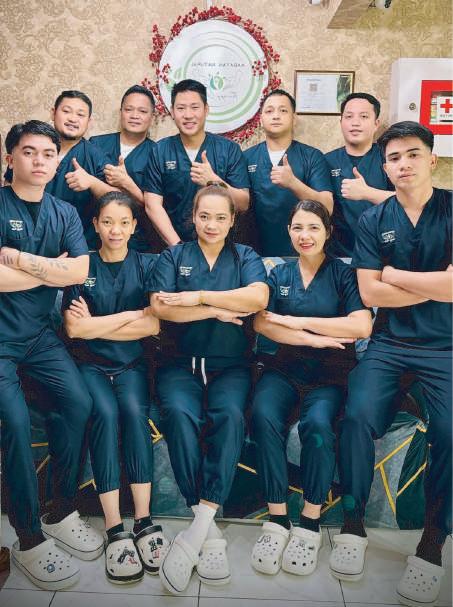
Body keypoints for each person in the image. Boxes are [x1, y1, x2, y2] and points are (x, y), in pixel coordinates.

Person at [329, 121, 452, 607]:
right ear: (385, 167)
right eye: (394, 158)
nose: (403, 164)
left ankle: (433, 540)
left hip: (444, 346)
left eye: (412, 154)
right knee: (356, 416)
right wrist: (433, 284)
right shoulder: (373, 219)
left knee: (450, 431)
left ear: (432, 160)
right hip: (389, 344)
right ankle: (353, 523)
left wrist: (395, 274)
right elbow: (369, 292)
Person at [149, 183, 268, 593]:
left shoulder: (246, 256)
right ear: (193, 218)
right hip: (178, 364)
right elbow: (161, 307)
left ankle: (197, 529)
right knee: (179, 415)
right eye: (204, 216)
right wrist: (216, 310)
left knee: (230, 416)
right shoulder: (174, 255)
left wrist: (196, 297)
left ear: (232, 220)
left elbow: (257, 298)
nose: (211, 224)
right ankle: (209, 531)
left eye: (220, 217)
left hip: (230, 366)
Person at [0, 120, 104, 590]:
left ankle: (59, 510)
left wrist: (21, 261)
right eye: (29, 152)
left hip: (40, 337)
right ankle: (28, 538)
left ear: (57, 162)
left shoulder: (64, 212)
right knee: (16, 422)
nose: (39, 160)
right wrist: (52, 270)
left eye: (48, 153)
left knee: (79, 403)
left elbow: (79, 271)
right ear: (10, 158)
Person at [250, 199, 372, 576]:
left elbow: (360, 326)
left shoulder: (344, 273)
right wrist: (312, 336)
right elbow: (262, 323)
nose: (305, 235)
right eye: (298, 227)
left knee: (317, 425)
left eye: (314, 227)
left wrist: (293, 322)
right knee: (262, 414)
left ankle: (310, 520)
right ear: (288, 231)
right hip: (284, 369)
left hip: (330, 375)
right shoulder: (279, 273)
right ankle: (277, 518)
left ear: (328, 232)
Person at [63, 191, 168, 584]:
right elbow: (75, 330)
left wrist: (96, 324)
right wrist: (129, 317)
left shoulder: (147, 264)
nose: (115, 230)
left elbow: (153, 324)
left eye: (124, 222)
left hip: (131, 365)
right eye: (107, 221)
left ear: (135, 226)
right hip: (90, 366)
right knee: (104, 414)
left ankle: (143, 520)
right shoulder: (82, 266)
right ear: (95, 224)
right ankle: (114, 528)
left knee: (134, 413)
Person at [143, 79, 250, 247]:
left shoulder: (229, 150)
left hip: (220, 248)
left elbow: (243, 203)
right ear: (172, 111)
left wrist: (214, 181)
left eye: (194, 107)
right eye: (181, 108)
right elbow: (152, 205)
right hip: (172, 247)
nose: (188, 115)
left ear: (206, 110)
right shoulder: (160, 150)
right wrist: (178, 248)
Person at [5, 90, 113, 247]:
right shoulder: (29, 144)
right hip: (22, 239)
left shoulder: (94, 155)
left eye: (80, 114)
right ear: (53, 113)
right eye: (66, 111)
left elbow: (119, 201)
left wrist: (92, 182)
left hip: (77, 244)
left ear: (89, 122)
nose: (73, 118)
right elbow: (9, 186)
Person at [244, 89, 333, 257]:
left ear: (294, 118)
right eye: (269, 111)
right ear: (261, 119)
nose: (276, 116)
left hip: (303, 252)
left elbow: (327, 207)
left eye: (283, 110)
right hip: (255, 253)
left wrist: (293, 183)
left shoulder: (312, 156)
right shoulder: (247, 157)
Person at [325, 92, 394, 258]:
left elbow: (412, 200)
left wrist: (367, 193)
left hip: (384, 254)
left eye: (364, 116)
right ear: (341, 122)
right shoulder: (326, 161)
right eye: (349, 116)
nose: (355, 123)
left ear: (376, 124)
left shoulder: (391, 158)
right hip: (338, 255)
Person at [90, 85, 156, 251]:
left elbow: (156, 207)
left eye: (142, 111)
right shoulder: (96, 144)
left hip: (138, 239)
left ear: (152, 117)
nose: (135, 116)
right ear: (121, 112)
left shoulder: (157, 153)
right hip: (94, 236)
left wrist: (127, 183)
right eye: (128, 109)